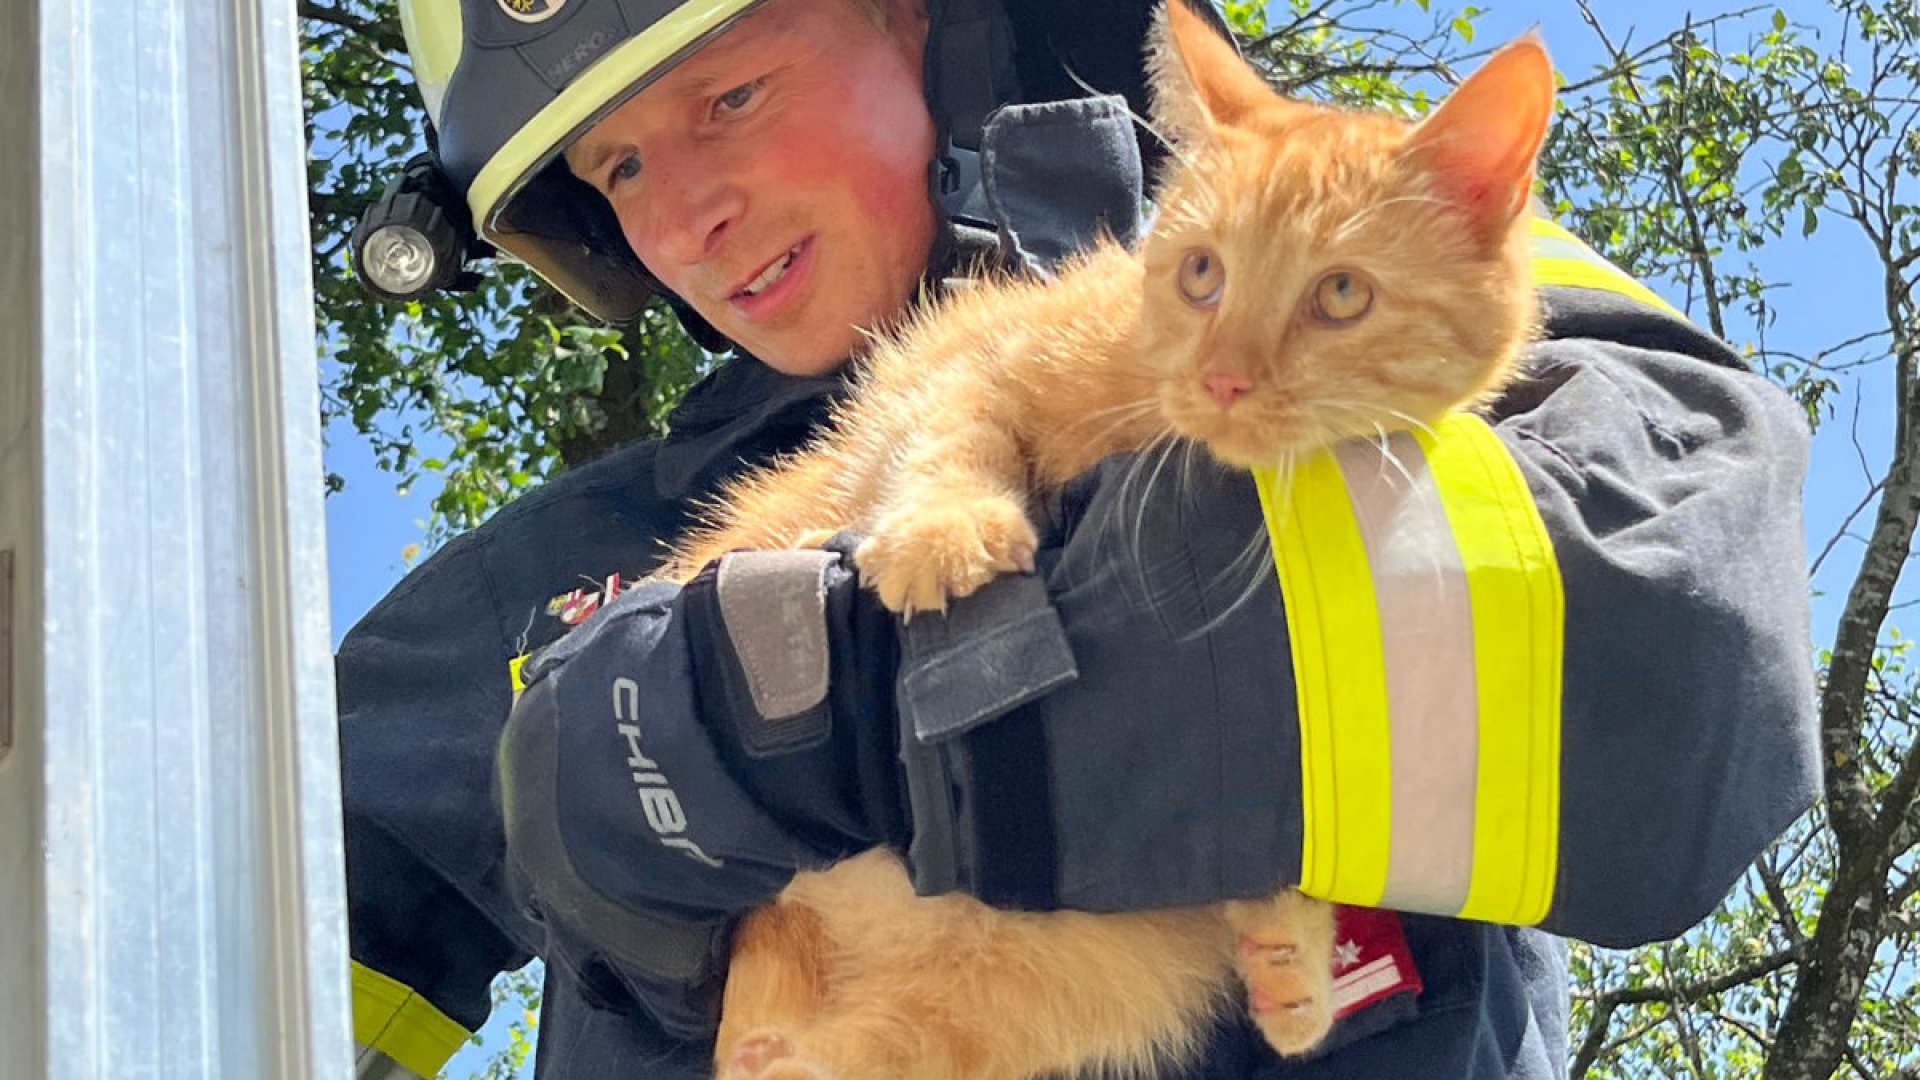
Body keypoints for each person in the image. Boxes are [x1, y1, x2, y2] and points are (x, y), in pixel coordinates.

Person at [334, 0, 1820, 1077]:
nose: (690, 218)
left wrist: (852, 714)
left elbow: (1676, 638)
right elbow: (210, 942)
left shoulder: (1333, 218)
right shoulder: (560, 566)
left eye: (729, 97)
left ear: (920, 20)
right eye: (620, 171)